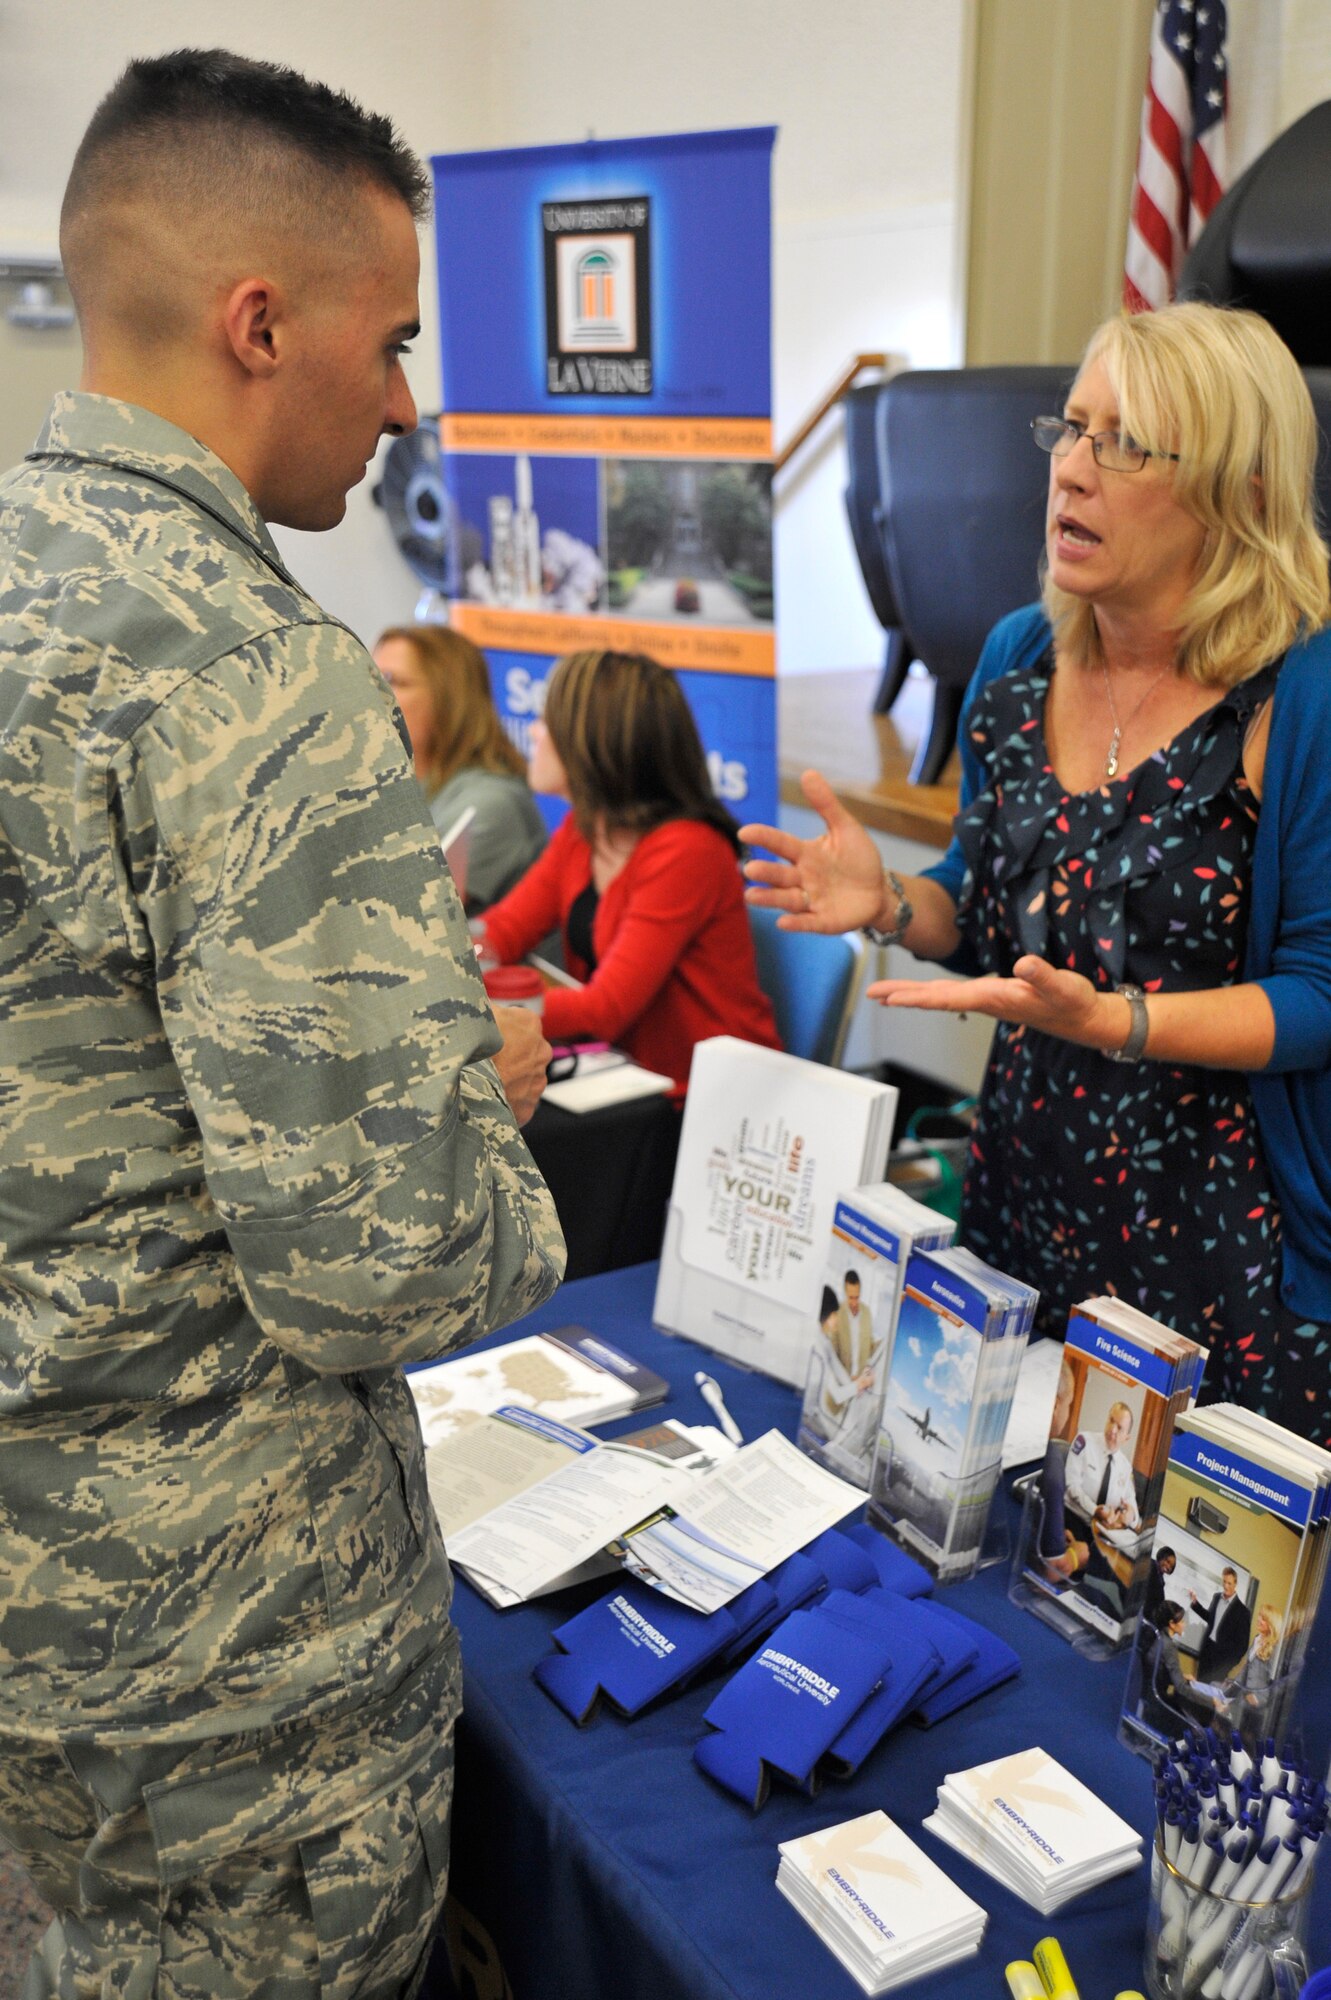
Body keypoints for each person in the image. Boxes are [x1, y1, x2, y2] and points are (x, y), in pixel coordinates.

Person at [0, 50, 564, 1999]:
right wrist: (472, 1105)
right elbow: (377, 1265)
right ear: (262, 323)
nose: (405, 400)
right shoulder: (253, 668)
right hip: (237, 1703)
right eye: (392, 338)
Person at [741, 302, 1331, 1443]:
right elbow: (987, 907)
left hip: (1220, 1248)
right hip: (1022, 1203)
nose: (1071, 469)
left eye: (1124, 444)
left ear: (1240, 493)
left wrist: (1119, 1019)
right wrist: (896, 905)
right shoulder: (1017, 655)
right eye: (1068, 428)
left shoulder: (1299, 693)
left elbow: (1317, 993)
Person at [477, 648, 781, 1095]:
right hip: (626, 1078)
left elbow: (606, 1008)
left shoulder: (687, 850)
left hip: (705, 1100)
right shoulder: (585, 830)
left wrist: (471, 1013)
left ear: (594, 741)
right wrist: (444, 966)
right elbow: (505, 930)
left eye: (549, 720)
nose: (535, 732)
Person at [373, 623, 547, 910]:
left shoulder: (490, 805)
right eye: (368, 678)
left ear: (449, 699)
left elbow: (407, 916)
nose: (369, 695)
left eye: (390, 680)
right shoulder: (397, 782)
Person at [1064, 1399, 1142, 1531]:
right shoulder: (1084, 1441)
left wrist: (1132, 1515)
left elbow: (1130, 1500)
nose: (1112, 1429)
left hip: (1102, 1529)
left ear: (1126, 1438)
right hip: (1072, 1518)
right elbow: (1071, 1485)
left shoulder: (1125, 1467)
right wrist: (1094, 1510)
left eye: (1119, 1427)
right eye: (1111, 1420)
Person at [1191, 1566, 1253, 1681]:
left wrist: (1227, 1665)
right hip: (1206, 1651)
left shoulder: (1243, 1612)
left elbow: (1242, 1646)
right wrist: (1195, 1604)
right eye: (1224, 1582)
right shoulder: (1216, 1597)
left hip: (1220, 1663)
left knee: (1210, 1696)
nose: (1225, 1586)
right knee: (1198, 1690)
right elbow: (1211, 1619)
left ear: (1235, 1584)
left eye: (1229, 1583)